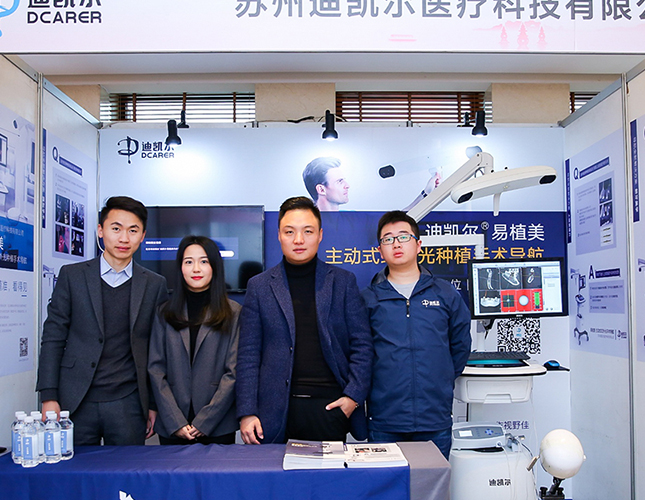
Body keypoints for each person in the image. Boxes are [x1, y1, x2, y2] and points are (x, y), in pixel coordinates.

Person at [236, 196, 372, 444]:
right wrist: (247, 412)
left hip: (330, 407)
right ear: (279, 235)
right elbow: (248, 354)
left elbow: (362, 345)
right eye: (290, 232)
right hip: (274, 410)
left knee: (328, 472)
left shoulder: (343, 282)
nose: (298, 240)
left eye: (307, 231)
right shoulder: (259, 286)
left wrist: (352, 398)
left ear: (320, 235)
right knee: (273, 471)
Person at [36, 196, 168, 445]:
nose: (124, 238)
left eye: (133, 231)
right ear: (100, 230)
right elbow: (53, 337)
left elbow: (157, 349)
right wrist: (48, 396)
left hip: (128, 402)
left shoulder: (154, 284)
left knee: (126, 468)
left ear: (143, 236)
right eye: (116, 228)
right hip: (76, 398)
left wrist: (153, 403)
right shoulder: (72, 276)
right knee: (75, 467)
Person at [360, 210, 472, 460]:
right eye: (388, 239)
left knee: (432, 482)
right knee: (386, 483)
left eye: (403, 236)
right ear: (380, 250)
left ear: (418, 244)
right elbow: (360, 354)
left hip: (434, 416)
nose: (396, 244)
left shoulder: (445, 294)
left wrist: (439, 377)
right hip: (385, 419)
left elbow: (460, 347)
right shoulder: (368, 298)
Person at [149, 235, 241, 445]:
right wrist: (175, 421)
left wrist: (204, 421)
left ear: (214, 266)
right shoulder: (163, 313)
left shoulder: (234, 312)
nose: (196, 269)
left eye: (204, 261)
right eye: (189, 262)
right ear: (180, 267)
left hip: (217, 426)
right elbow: (156, 369)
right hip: (173, 425)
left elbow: (233, 372)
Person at [302, 156, 440, 212]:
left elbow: (399, 217)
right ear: (321, 189)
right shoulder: (306, 223)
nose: (347, 185)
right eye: (339, 181)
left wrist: (426, 193)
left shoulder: (352, 218)